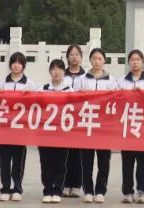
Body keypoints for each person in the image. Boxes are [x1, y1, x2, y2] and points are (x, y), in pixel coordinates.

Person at [77, 47, 119, 203]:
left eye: (100, 58)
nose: (96, 61)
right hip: (86, 125)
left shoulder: (111, 80)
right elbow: (74, 101)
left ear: (104, 61)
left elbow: (116, 101)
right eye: (94, 58)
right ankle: (88, 190)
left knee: (103, 161)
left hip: (104, 127)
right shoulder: (83, 79)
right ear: (90, 60)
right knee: (86, 161)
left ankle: (100, 190)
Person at [121, 49, 144, 204]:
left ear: (142, 62)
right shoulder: (122, 81)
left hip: (143, 127)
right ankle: (127, 192)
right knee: (127, 162)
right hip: (127, 127)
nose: (135, 62)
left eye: (138, 59)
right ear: (129, 62)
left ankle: (142, 191)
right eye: (132, 59)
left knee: (143, 161)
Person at [0, 52, 34, 202]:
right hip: (4, 128)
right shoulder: (1, 83)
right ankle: (5, 188)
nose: (16, 65)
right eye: (14, 62)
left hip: (21, 130)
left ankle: (17, 188)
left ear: (24, 66)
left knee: (19, 160)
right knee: (5, 160)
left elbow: (38, 102)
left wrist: (30, 95)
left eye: (19, 63)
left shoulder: (30, 84)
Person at [41, 59, 73, 204]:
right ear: (49, 72)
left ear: (64, 72)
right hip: (45, 133)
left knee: (60, 163)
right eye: (53, 69)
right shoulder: (42, 89)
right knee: (46, 162)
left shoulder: (70, 90)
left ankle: (58, 189)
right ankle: (47, 189)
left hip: (62, 133)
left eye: (60, 69)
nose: (57, 72)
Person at [62, 44, 87, 198]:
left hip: (80, 120)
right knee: (64, 154)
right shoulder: (60, 74)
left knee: (78, 154)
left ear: (81, 57)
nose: (74, 57)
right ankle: (65, 184)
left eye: (77, 54)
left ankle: (77, 185)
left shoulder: (86, 77)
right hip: (63, 121)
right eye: (72, 54)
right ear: (67, 57)